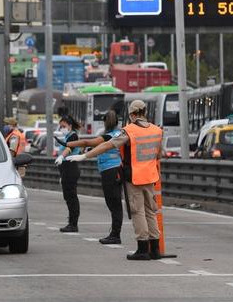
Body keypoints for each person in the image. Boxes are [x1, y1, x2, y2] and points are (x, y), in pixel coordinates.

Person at [68, 100, 164, 260]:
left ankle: (142, 248)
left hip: (134, 177)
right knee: (150, 211)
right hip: (151, 176)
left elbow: (107, 145)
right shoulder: (157, 130)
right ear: (145, 112)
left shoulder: (129, 131)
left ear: (132, 115)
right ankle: (154, 249)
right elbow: (159, 155)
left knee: (137, 211)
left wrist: (84, 155)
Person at [56, 110, 123, 244]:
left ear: (105, 122)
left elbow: (88, 142)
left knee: (113, 204)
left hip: (110, 171)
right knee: (114, 204)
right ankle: (115, 233)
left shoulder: (109, 136)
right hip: (114, 170)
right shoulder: (119, 134)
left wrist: (67, 144)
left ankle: (115, 234)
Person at [53, 115, 82, 233]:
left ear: (70, 125)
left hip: (70, 167)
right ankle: (71, 222)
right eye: (61, 126)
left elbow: (69, 149)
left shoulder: (73, 136)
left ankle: (73, 224)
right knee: (68, 197)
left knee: (71, 197)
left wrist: (61, 156)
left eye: (64, 126)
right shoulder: (68, 136)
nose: (62, 128)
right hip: (66, 169)